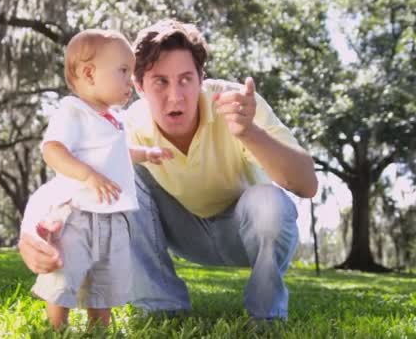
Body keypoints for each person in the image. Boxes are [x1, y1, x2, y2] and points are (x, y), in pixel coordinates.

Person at [19, 20, 318, 322]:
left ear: (202, 78)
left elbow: (307, 185)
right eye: (160, 82)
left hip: (243, 232)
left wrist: (250, 132)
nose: (175, 96)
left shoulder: (236, 104)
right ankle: (161, 308)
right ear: (137, 86)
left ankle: (266, 317)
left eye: (186, 79)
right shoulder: (128, 126)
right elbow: (69, 178)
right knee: (123, 169)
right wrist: (30, 227)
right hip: (184, 233)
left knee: (269, 202)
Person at [20, 28, 173, 330]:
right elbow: (52, 150)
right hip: (78, 214)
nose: (131, 80)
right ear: (89, 74)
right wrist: (88, 176)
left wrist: (146, 153)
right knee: (66, 271)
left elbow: (117, 154)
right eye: (123, 71)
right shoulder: (72, 110)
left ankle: (99, 328)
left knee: (107, 278)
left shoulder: (113, 119)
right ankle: (56, 326)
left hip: (113, 216)